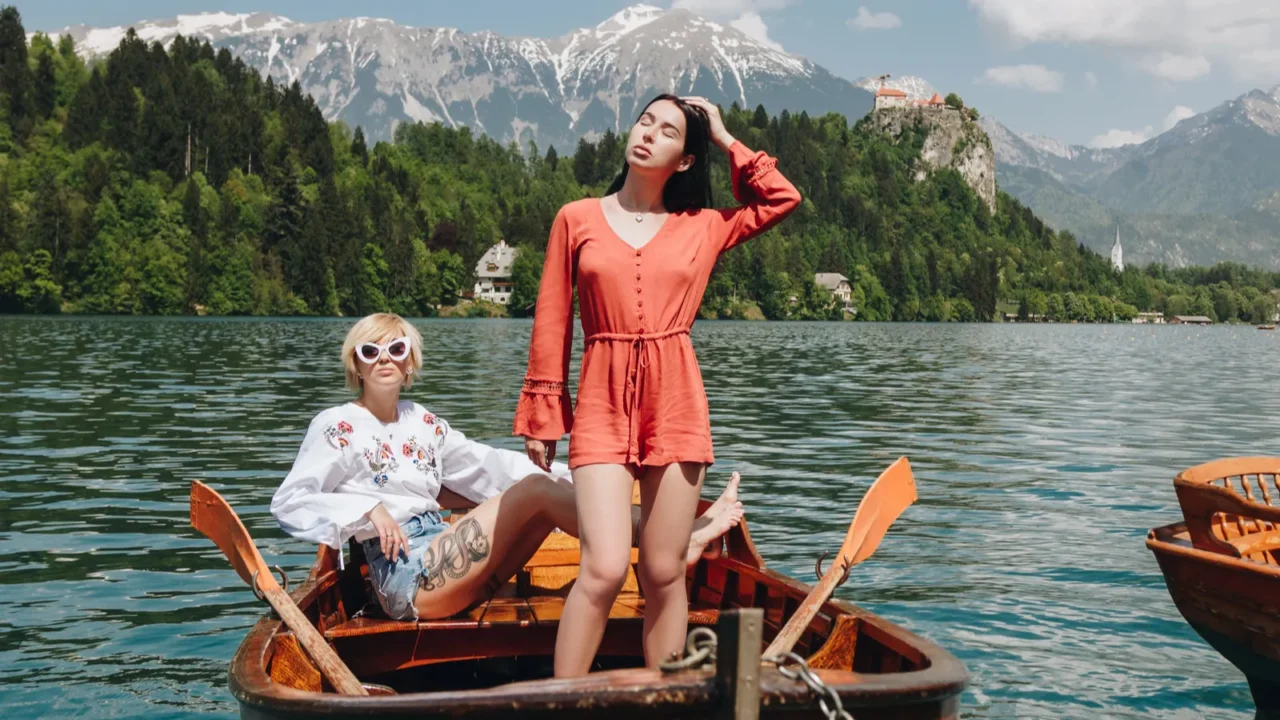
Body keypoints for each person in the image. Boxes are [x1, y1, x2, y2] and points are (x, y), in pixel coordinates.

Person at [515, 94, 802, 676]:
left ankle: (662, 701)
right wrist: (544, 414)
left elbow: (781, 197)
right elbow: (553, 317)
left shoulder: (704, 227)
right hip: (600, 399)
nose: (647, 133)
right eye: (645, 120)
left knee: (665, 570)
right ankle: (561, 701)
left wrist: (722, 136)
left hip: (675, 402)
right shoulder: (577, 217)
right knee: (603, 568)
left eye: (668, 131)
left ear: (686, 161)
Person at [271, 312, 744, 622]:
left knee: (536, 489)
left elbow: (491, 469)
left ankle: (671, 539)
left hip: (444, 553)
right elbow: (292, 501)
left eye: (395, 349)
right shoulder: (336, 425)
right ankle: (681, 538)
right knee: (534, 494)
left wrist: (592, 480)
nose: (384, 360)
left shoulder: (424, 423)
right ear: (355, 364)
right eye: (369, 351)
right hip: (406, 578)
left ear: (410, 362)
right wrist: (368, 511)